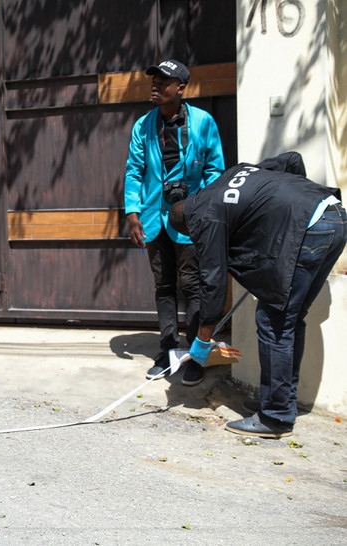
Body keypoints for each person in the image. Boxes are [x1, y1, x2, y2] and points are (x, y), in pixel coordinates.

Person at [169, 152, 345, 438]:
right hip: (334, 215)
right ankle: (280, 402)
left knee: (274, 323)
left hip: (311, 230)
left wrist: (202, 339)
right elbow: (292, 160)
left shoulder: (204, 218)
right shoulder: (227, 178)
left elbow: (213, 282)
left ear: (189, 228)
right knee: (289, 319)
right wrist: (292, 208)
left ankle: (276, 417)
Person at [124, 59, 226, 385]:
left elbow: (215, 171)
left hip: (191, 219)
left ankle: (197, 355)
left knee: (193, 286)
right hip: (154, 218)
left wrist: (205, 211)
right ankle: (168, 349)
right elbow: (134, 171)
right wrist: (132, 213)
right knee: (164, 286)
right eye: (153, 80)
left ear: (180, 88)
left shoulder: (203, 123)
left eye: (163, 81)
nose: (155, 85)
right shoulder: (143, 126)